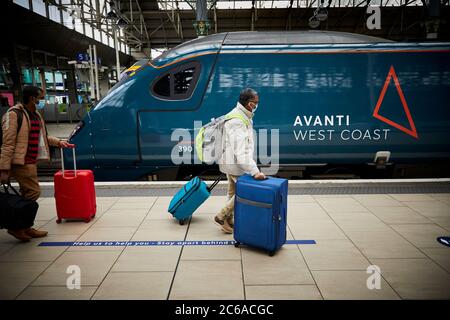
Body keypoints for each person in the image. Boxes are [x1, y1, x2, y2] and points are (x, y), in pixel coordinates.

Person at [0, 86, 71, 241]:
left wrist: (59, 142)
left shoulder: (35, 114)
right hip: (19, 162)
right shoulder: (14, 115)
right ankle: (17, 227)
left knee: (28, 194)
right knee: (33, 193)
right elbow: (8, 143)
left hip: (30, 161)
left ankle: (24, 226)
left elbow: (43, 137)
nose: (42, 100)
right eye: (40, 97)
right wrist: (4, 169)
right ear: (32, 98)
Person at [215, 88, 266, 234]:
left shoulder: (241, 114)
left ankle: (228, 220)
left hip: (230, 162)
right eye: (256, 102)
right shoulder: (237, 121)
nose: (257, 104)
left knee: (232, 192)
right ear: (250, 104)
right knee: (245, 192)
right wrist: (255, 171)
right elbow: (241, 151)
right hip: (236, 164)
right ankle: (221, 215)